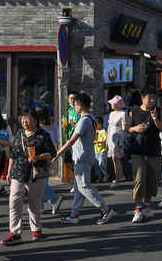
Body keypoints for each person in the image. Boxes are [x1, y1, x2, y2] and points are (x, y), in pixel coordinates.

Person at [53, 93, 116, 225]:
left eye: (75, 104)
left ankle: (106, 209)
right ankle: (74, 214)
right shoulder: (91, 118)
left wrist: (58, 153)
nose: (74, 106)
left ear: (80, 106)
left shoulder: (84, 120)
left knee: (84, 187)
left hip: (83, 157)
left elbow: (72, 140)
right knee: (78, 188)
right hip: (85, 156)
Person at [1, 109, 56, 244]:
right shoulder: (19, 134)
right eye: (23, 118)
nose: (24, 121)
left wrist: (39, 157)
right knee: (14, 203)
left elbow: (52, 153)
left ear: (35, 121)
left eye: (28, 118)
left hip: (36, 174)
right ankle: (15, 233)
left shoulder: (43, 135)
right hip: (18, 173)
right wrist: (9, 171)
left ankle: (36, 230)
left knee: (34, 204)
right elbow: (13, 154)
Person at [125, 86, 162, 223]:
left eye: (154, 98)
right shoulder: (134, 111)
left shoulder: (159, 111)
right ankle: (138, 210)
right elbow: (127, 128)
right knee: (139, 179)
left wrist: (156, 119)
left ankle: (147, 207)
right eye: (149, 98)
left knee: (151, 180)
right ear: (142, 98)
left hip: (154, 151)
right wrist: (135, 128)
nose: (152, 100)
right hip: (137, 151)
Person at [34, 105, 63, 214]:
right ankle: (39, 205)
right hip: (49, 156)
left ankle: (54, 198)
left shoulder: (39, 129)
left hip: (40, 157)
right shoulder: (53, 126)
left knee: (39, 183)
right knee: (42, 181)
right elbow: (56, 141)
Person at [106, 95, 129, 188]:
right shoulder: (111, 114)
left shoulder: (123, 114)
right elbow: (109, 127)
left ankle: (117, 179)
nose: (111, 105)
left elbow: (124, 128)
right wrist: (107, 139)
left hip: (118, 137)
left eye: (112, 103)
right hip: (111, 137)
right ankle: (120, 176)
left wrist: (122, 140)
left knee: (116, 157)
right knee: (114, 158)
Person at [92, 116, 109, 183]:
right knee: (96, 166)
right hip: (96, 151)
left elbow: (105, 140)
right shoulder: (95, 131)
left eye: (98, 124)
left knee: (101, 163)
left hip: (103, 150)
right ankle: (99, 176)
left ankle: (105, 175)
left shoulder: (103, 131)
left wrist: (98, 142)